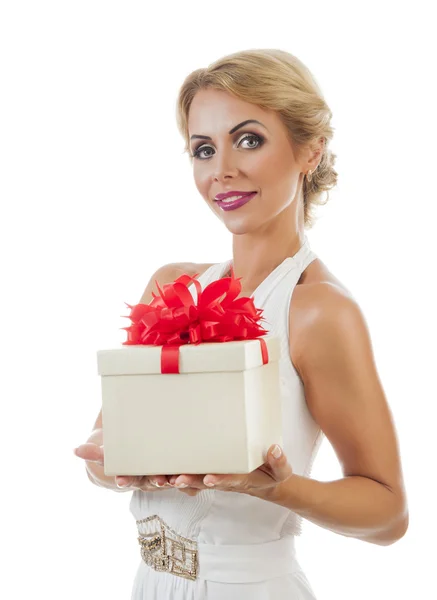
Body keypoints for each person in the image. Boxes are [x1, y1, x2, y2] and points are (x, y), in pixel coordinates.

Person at [74, 48, 409, 599]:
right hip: (149, 586)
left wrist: (278, 489)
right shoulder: (170, 286)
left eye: (248, 139)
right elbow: (105, 453)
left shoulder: (319, 311)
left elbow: (388, 514)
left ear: (310, 151)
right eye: (203, 149)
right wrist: (109, 462)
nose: (221, 169)